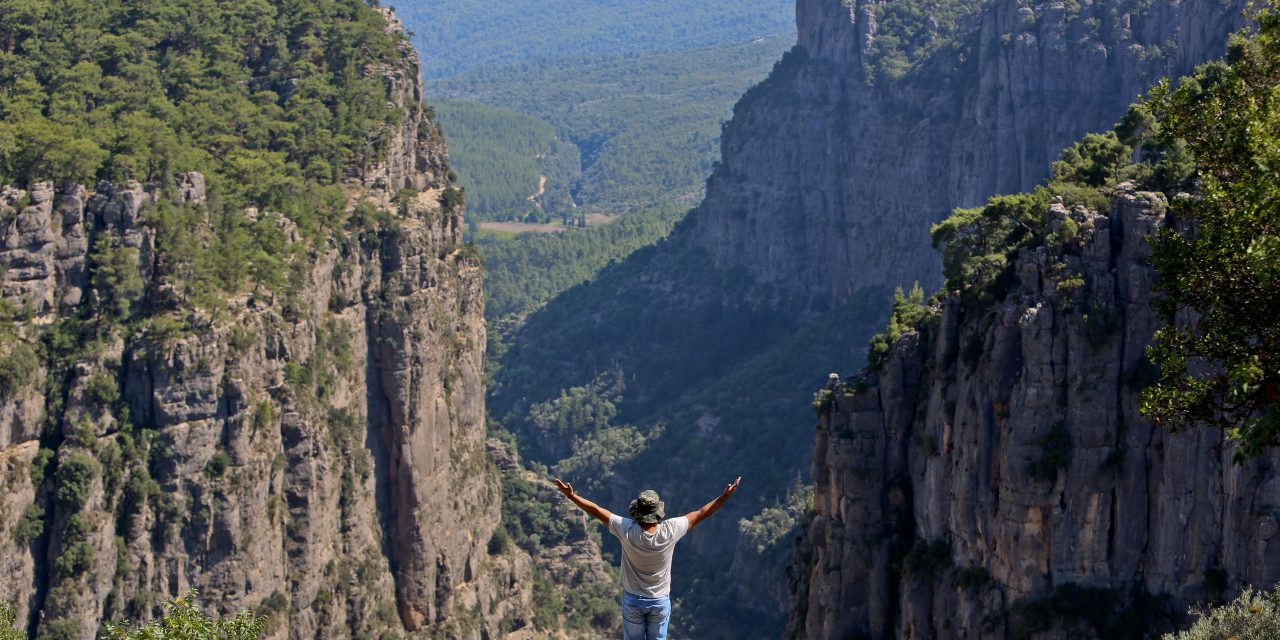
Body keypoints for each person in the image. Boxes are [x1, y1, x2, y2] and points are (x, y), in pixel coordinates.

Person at [552, 476, 742, 640]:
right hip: (659, 601)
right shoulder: (671, 530)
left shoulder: (625, 529)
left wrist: (571, 495)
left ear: (638, 512)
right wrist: (725, 496)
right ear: (658, 512)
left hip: (633, 600)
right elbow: (702, 513)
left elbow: (595, 510)